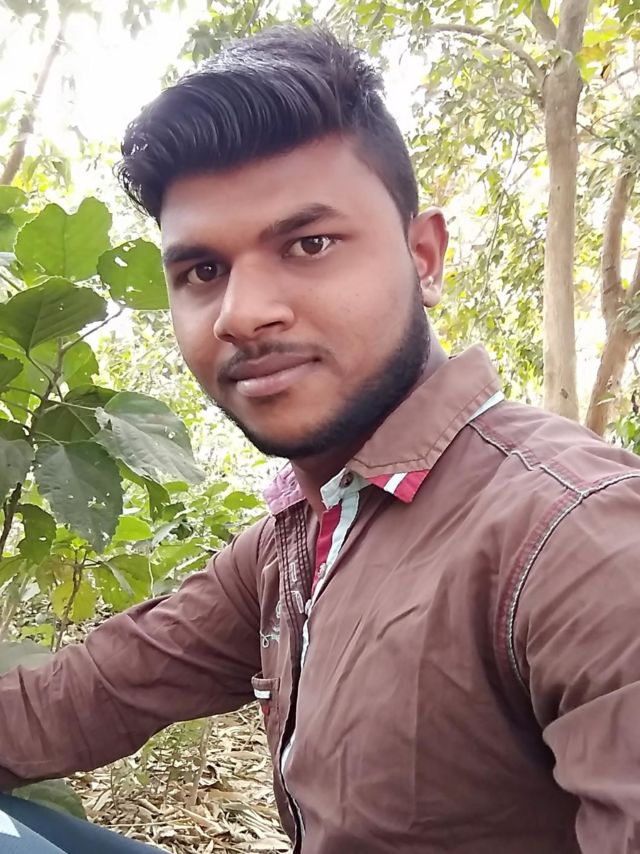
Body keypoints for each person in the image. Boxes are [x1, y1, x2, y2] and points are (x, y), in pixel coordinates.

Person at [1, 24, 639, 854]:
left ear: (424, 258)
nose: (242, 314)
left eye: (309, 245)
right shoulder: (298, 538)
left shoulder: (577, 539)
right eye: (203, 271)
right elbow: (88, 695)